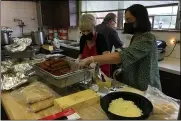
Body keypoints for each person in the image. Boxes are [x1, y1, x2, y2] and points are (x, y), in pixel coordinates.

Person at [79, 4, 162, 91]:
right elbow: (131, 57)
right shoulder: (136, 37)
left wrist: (91, 59)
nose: (126, 23)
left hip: (147, 89)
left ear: (140, 19)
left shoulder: (148, 38)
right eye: (125, 20)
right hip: (134, 87)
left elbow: (122, 56)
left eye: (128, 20)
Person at [96, 13, 124, 78]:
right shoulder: (111, 30)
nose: (114, 25)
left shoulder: (95, 27)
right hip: (105, 60)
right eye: (115, 22)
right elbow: (120, 45)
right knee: (105, 80)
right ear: (111, 21)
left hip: (94, 59)